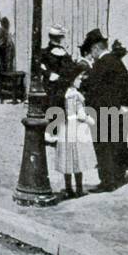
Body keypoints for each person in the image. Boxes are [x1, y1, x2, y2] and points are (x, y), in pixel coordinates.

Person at [81, 28, 128, 191]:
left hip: (102, 112)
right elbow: (127, 85)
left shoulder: (101, 64)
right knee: (116, 144)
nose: (90, 55)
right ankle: (118, 177)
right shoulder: (117, 61)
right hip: (117, 111)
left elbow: (94, 90)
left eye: (90, 51)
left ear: (95, 48)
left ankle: (107, 182)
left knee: (103, 147)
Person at [53, 61, 97, 198]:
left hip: (65, 128)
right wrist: (92, 121)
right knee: (77, 158)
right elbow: (81, 114)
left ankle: (68, 188)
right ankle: (78, 188)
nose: (81, 80)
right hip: (76, 127)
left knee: (68, 158)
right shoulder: (75, 94)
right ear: (73, 78)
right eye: (79, 77)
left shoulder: (64, 93)